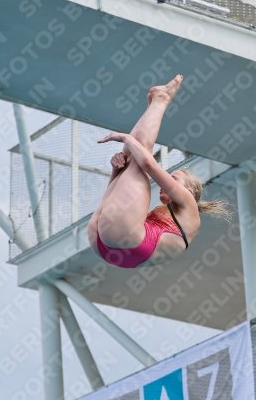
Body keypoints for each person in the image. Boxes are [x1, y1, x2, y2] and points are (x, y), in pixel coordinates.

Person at [87, 75, 232, 268]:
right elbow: (118, 205)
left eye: (173, 178)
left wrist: (124, 138)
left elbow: (148, 164)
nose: (165, 181)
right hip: (109, 244)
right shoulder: (173, 214)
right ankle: (157, 103)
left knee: (139, 155)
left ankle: (161, 101)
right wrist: (117, 170)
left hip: (122, 243)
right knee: (133, 157)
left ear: (188, 191)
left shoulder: (188, 203)